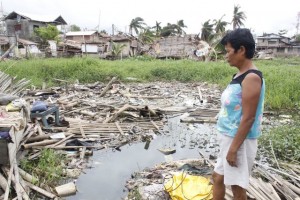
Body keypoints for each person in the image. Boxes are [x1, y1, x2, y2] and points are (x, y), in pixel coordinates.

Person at [212, 28, 265, 200]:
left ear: (241, 50)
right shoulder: (239, 75)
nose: (226, 56)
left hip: (239, 141)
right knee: (218, 177)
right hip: (228, 137)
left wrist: (234, 149)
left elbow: (249, 117)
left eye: (228, 51)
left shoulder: (251, 78)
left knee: (237, 188)